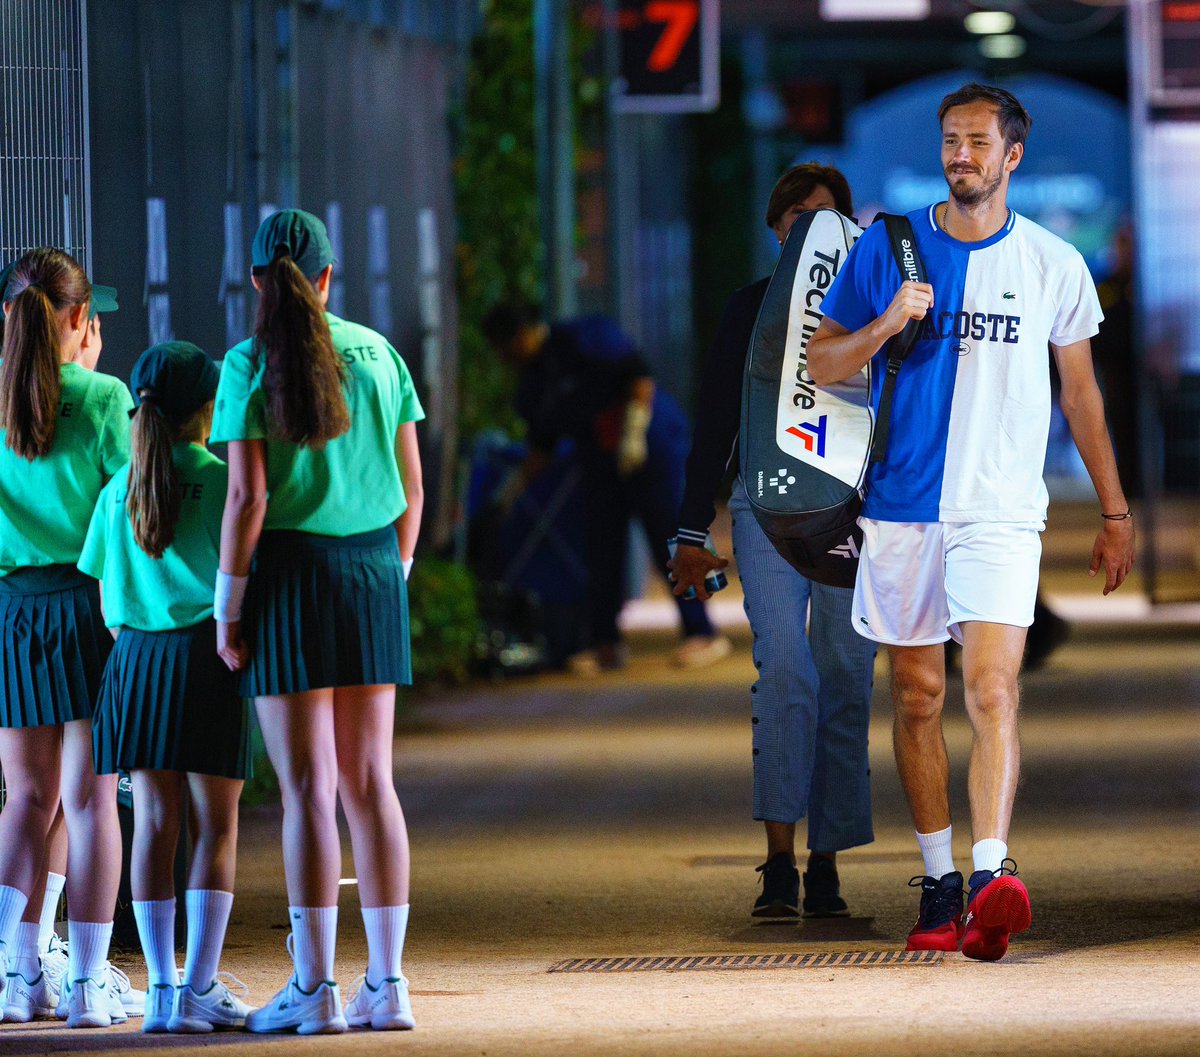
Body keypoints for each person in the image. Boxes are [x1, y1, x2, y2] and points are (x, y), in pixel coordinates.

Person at [808, 83, 1135, 961]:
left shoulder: (1053, 264)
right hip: (901, 507)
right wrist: (883, 323)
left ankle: (991, 873)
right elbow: (821, 360)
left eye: (978, 141)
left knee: (991, 687)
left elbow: (1081, 394)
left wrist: (1113, 507)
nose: (962, 154)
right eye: (951, 139)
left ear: (1011, 156)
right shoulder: (890, 248)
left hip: (999, 511)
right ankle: (941, 877)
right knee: (917, 695)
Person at [212, 209, 424, 1033]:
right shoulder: (380, 353)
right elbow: (410, 487)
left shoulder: (246, 362)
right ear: (330, 278)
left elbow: (247, 497)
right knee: (372, 783)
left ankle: (314, 988)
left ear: (258, 281)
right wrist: (392, 574)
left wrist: (229, 607)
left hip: (291, 576)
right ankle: (390, 981)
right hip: (372, 568)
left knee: (308, 790)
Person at [669, 164, 877, 922]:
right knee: (785, 669)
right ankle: (780, 861)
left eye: (822, 220)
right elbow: (715, 417)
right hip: (765, 510)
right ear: (777, 230)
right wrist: (692, 528)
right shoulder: (750, 309)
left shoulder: (875, 308)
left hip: (852, 513)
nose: (806, 232)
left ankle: (828, 861)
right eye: (795, 220)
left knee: (847, 673)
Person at [79, 341, 253, 1033]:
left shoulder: (118, 486)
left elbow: (103, 595)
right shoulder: (222, 479)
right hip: (207, 660)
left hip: (135, 663)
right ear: (207, 410)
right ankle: (201, 986)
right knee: (217, 824)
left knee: (153, 826)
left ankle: (159, 992)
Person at [0, 270, 145, 1023]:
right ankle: (89, 981)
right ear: (80, 316)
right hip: (90, 610)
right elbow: (127, 508)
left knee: (26, 798)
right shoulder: (103, 397)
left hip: (13, 611)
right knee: (93, 803)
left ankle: (14, 974)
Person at [482, 305, 732, 673]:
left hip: (651, 443)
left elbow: (638, 376)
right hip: (599, 459)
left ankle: (704, 631)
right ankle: (605, 643)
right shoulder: (534, 383)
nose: (506, 358)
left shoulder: (584, 336)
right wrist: (506, 495)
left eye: (506, 347)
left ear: (522, 334)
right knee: (601, 548)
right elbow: (541, 448)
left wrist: (634, 431)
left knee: (676, 537)